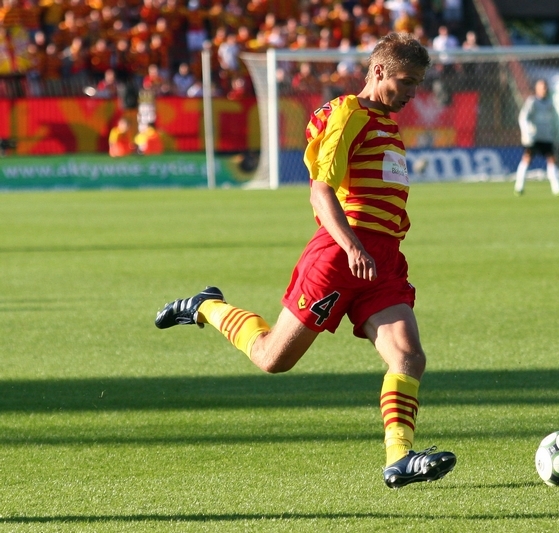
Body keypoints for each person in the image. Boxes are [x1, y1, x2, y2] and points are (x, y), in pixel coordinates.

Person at [154, 32, 456, 489]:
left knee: (409, 356)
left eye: (417, 83)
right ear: (378, 71)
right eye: (407, 81)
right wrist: (352, 246)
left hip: (383, 262)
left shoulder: (387, 125)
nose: (413, 92)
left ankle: (399, 457)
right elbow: (320, 191)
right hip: (340, 256)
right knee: (273, 358)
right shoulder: (349, 115)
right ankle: (206, 306)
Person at [514, 79, 559, 197]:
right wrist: (527, 133)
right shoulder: (532, 102)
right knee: (527, 158)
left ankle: (557, 189)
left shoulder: (550, 103)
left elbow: (553, 120)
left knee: (551, 160)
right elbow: (523, 118)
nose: (545, 89)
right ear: (537, 89)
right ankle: (519, 187)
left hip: (546, 137)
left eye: (545, 87)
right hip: (533, 138)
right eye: (542, 87)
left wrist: (554, 133)